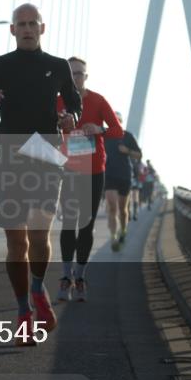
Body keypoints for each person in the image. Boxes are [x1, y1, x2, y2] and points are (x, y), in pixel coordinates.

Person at [0, 3, 81, 346]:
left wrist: (70, 116)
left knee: (40, 234)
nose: (27, 29)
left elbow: (74, 104)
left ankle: (39, 288)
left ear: (42, 28)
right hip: (11, 157)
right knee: (16, 241)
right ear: (12, 30)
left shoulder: (58, 67)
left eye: (32, 23)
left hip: (45, 155)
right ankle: (23, 311)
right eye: (21, 24)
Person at [55, 57, 123, 302]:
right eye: (71, 74)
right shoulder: (58, 101)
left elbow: (117, 131)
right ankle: (65, 277)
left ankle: (80, 277)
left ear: (86, 76)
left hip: (95, 170)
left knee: (86, 225)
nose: (76, 78)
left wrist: (99, 129)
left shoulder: (98, 100)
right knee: (69, 223)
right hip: (69, 170)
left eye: (80, 73)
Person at [103, 111, 141, 252]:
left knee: (123, 210)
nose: (114, 122)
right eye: (112, 120)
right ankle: (113, 237)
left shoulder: (128, 136)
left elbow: (139, 155)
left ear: (121, 121)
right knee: (112, 207)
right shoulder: (103, 136)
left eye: (117, 120)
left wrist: (128, 151)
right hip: (109, 175)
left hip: (125, 175)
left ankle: (123, 231)